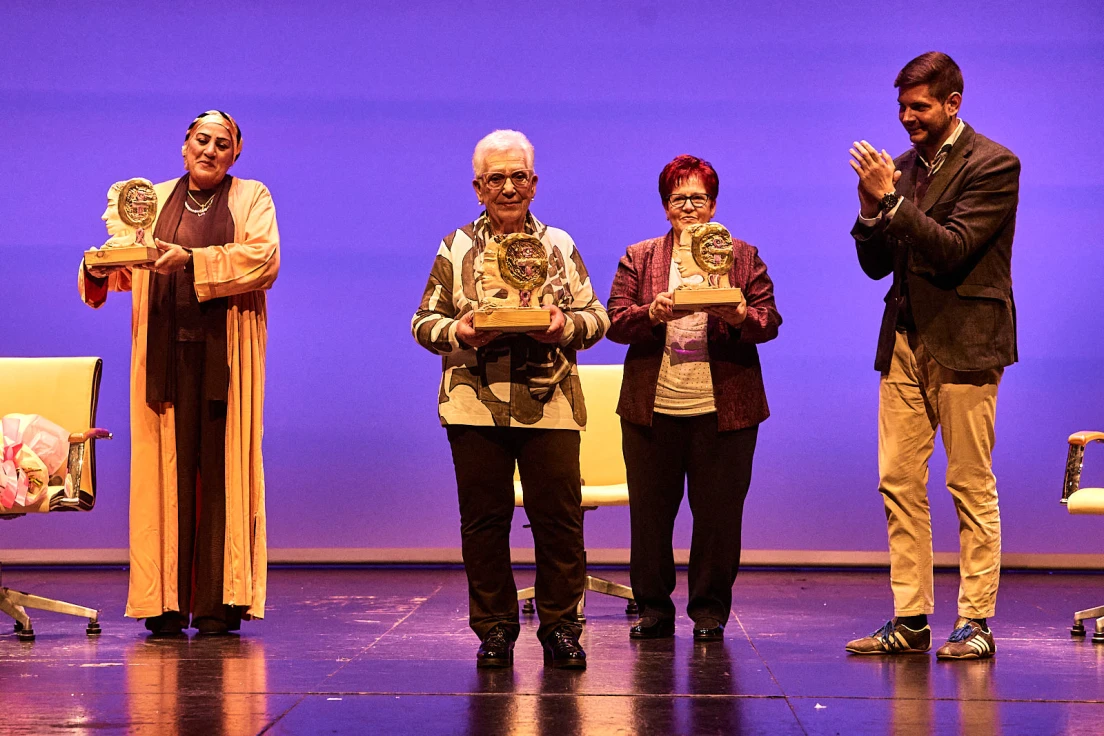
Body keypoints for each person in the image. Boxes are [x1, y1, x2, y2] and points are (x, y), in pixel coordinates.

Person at [412, 130, 608, 670]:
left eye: (517, 176)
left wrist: (564, 324)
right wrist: (462, 332)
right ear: (478, 187)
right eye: (495, 178)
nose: (507, 187)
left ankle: (561, 629)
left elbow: (600, 319)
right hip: (472, 404)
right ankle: (495, 630)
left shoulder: (560, 246)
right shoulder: (455, 246)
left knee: (559, 521)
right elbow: (422, 323)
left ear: (535, 183)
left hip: (552, 404)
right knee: (484, 521)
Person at [845, 52, 1019, 660]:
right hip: (904, 342)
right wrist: (870, 210)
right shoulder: (898, 170)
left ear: (953, 103)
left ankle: (975, 620)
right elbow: (874, 266)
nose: (907, 118)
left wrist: (891, 204)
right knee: (897, 480)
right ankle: (911, 616)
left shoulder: (994, 164)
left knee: (969, 481)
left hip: (966, 343)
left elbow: (954, 248)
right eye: (901, 107)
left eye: (919, 107)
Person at [80, 110, 280, 636]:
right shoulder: (152, 198)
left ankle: (219, 605)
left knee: (220, 476)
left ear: (236, 153)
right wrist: (100, 266)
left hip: (224, 358)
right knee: (163, 476)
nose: (210, 150)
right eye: (201, 140)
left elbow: (263, 259)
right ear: (184, 144)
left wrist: (188, 260)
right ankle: (163, 602)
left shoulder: (251, 197)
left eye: (222, 143)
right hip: (164, 353)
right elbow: (130, 264)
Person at [606, 154, 781, 642]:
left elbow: (769, 323)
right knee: (650, 517)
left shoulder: (743, 256)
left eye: (698, 198)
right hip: (652, 409)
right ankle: (654, 611)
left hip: (726, 411)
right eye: (679, 198)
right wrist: (652, 312)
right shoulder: (640, 256)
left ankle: (709, 613)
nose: (689, 206)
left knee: (719, 520)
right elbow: (615, 321)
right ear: (665, 207)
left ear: (714, 204)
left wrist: (740, 311)